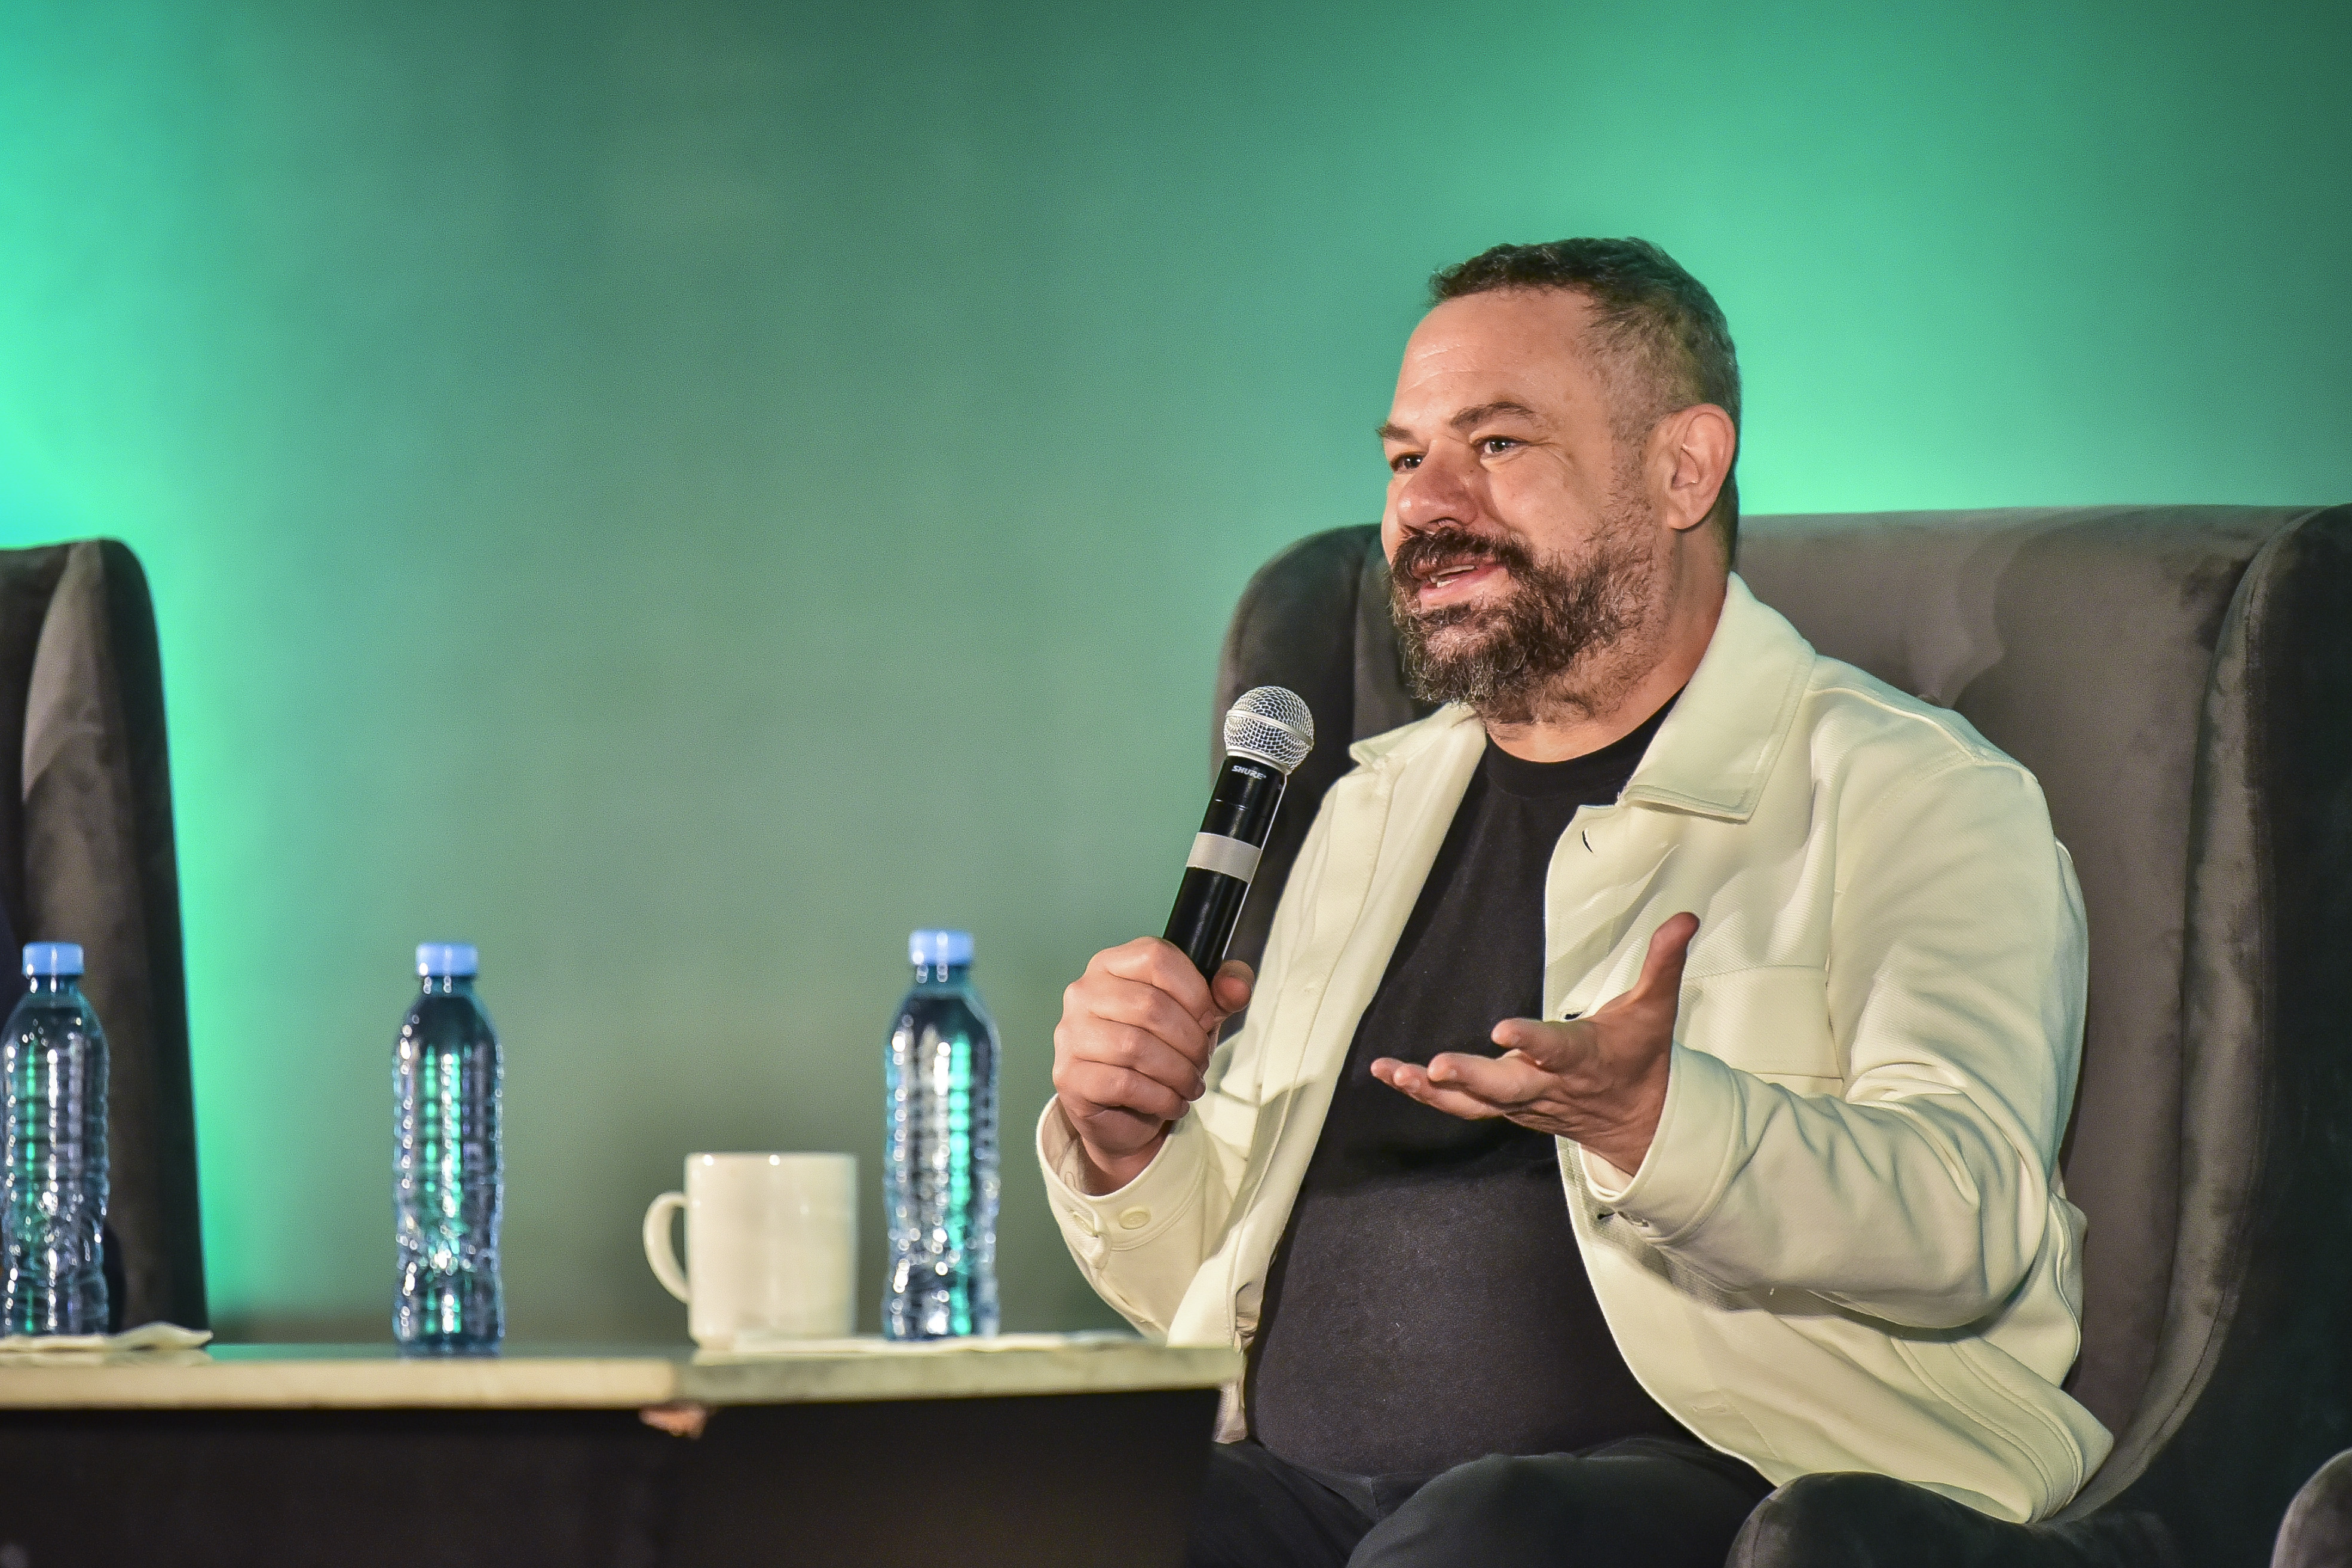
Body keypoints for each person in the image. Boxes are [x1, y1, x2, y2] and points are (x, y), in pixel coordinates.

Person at [1040, 238, 2109, 1568]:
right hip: (1307, 1497)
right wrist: (1126, 1144)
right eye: (1404, 457)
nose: (1426, 506)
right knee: (1026, 1510)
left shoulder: (1912, 790)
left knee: (1490, 1535)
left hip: (1722, 1487)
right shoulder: (1369, 807)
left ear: (1684, 468)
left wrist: (1657, 1121)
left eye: (1496, 444)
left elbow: (1970, 1217)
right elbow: (1207, 1287)